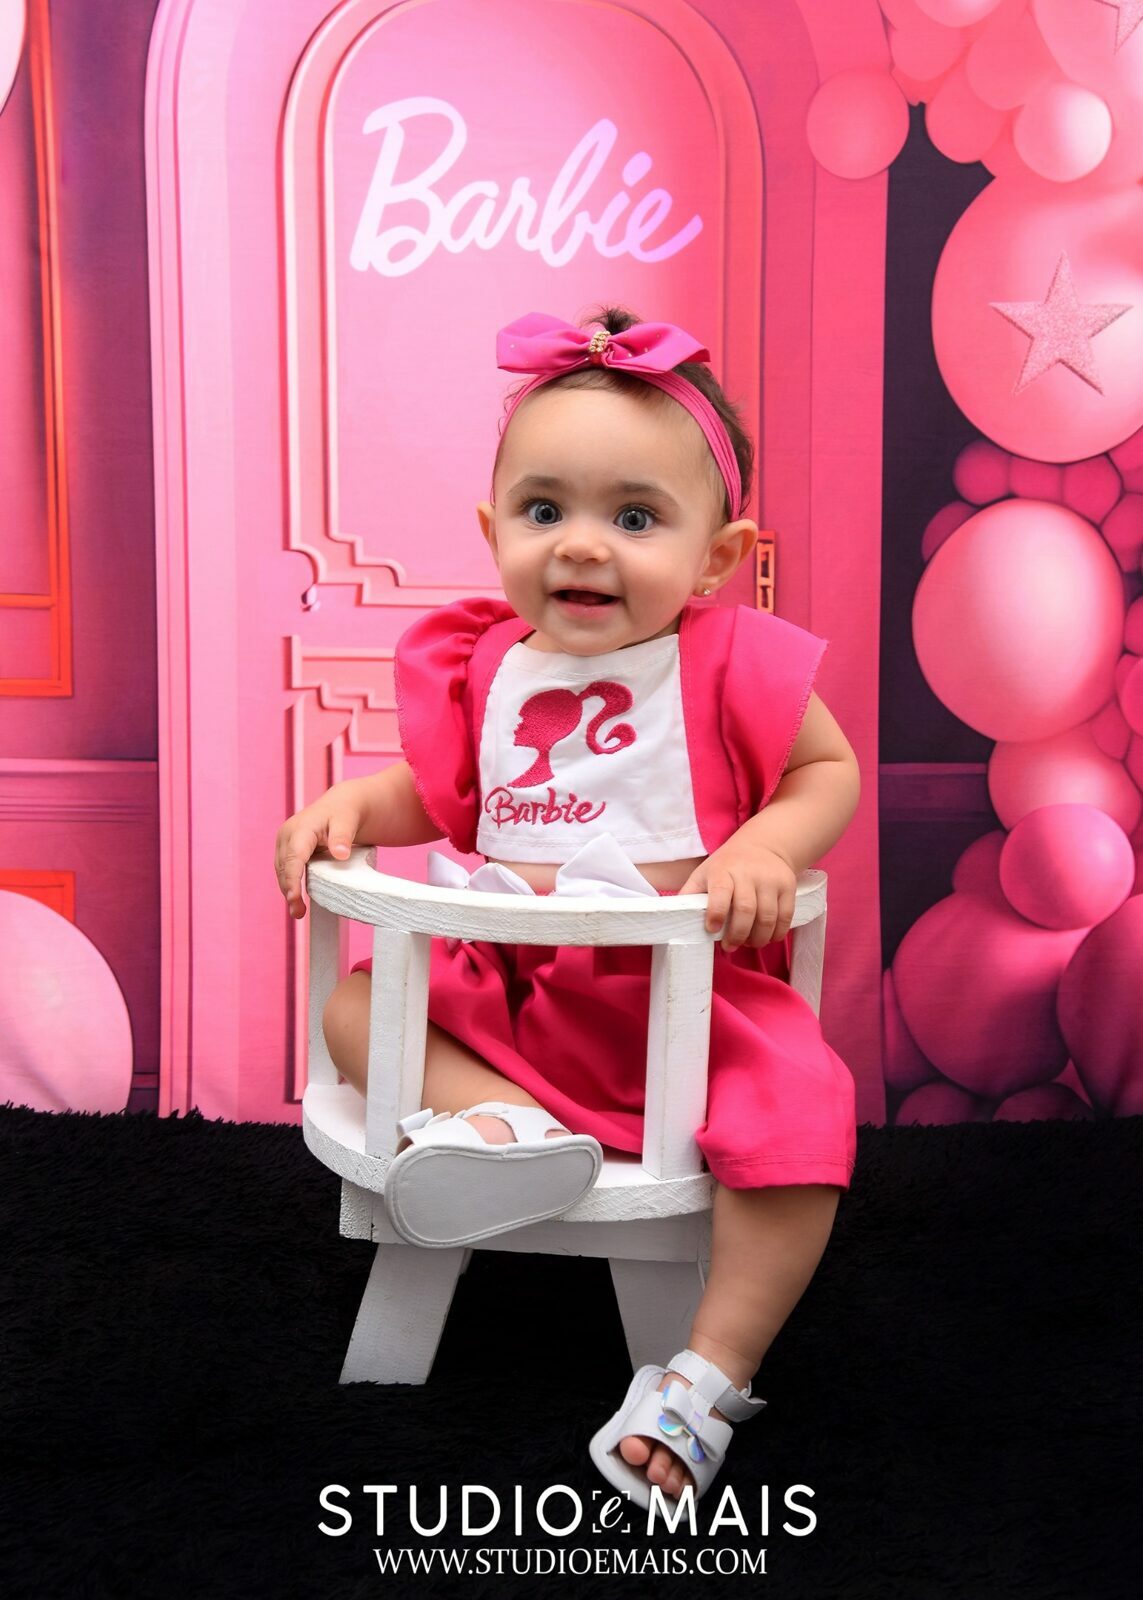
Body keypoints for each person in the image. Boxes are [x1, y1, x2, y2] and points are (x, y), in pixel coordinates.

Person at [274, 306, 861, 1512]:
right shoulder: (488, 664)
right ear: (494, 532)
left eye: (635, 518)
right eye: (545, 511)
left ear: (717, 556)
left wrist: (764, 843)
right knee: (358, 1011)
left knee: (804, 1122)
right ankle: (507, 1128)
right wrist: (354, 805)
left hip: (679, 1012)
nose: (583, 546)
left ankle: (709, 1370)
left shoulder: (731, 660)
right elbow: (442, 793)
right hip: (513, 996)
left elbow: (827, 770)